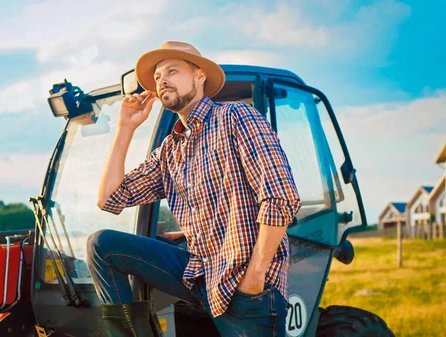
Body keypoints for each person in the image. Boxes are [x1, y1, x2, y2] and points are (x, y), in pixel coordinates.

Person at [86, 41, 301, 337]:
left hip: (244, 285)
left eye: (172, 71)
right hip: (199, 274)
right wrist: (125, 128)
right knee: (103, 245)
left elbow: (280, 197)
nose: (162, 80)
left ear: (200, 76)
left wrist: (254, 277)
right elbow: (109, 198)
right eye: (158, 76)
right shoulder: (170, 150)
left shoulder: (236, 117)